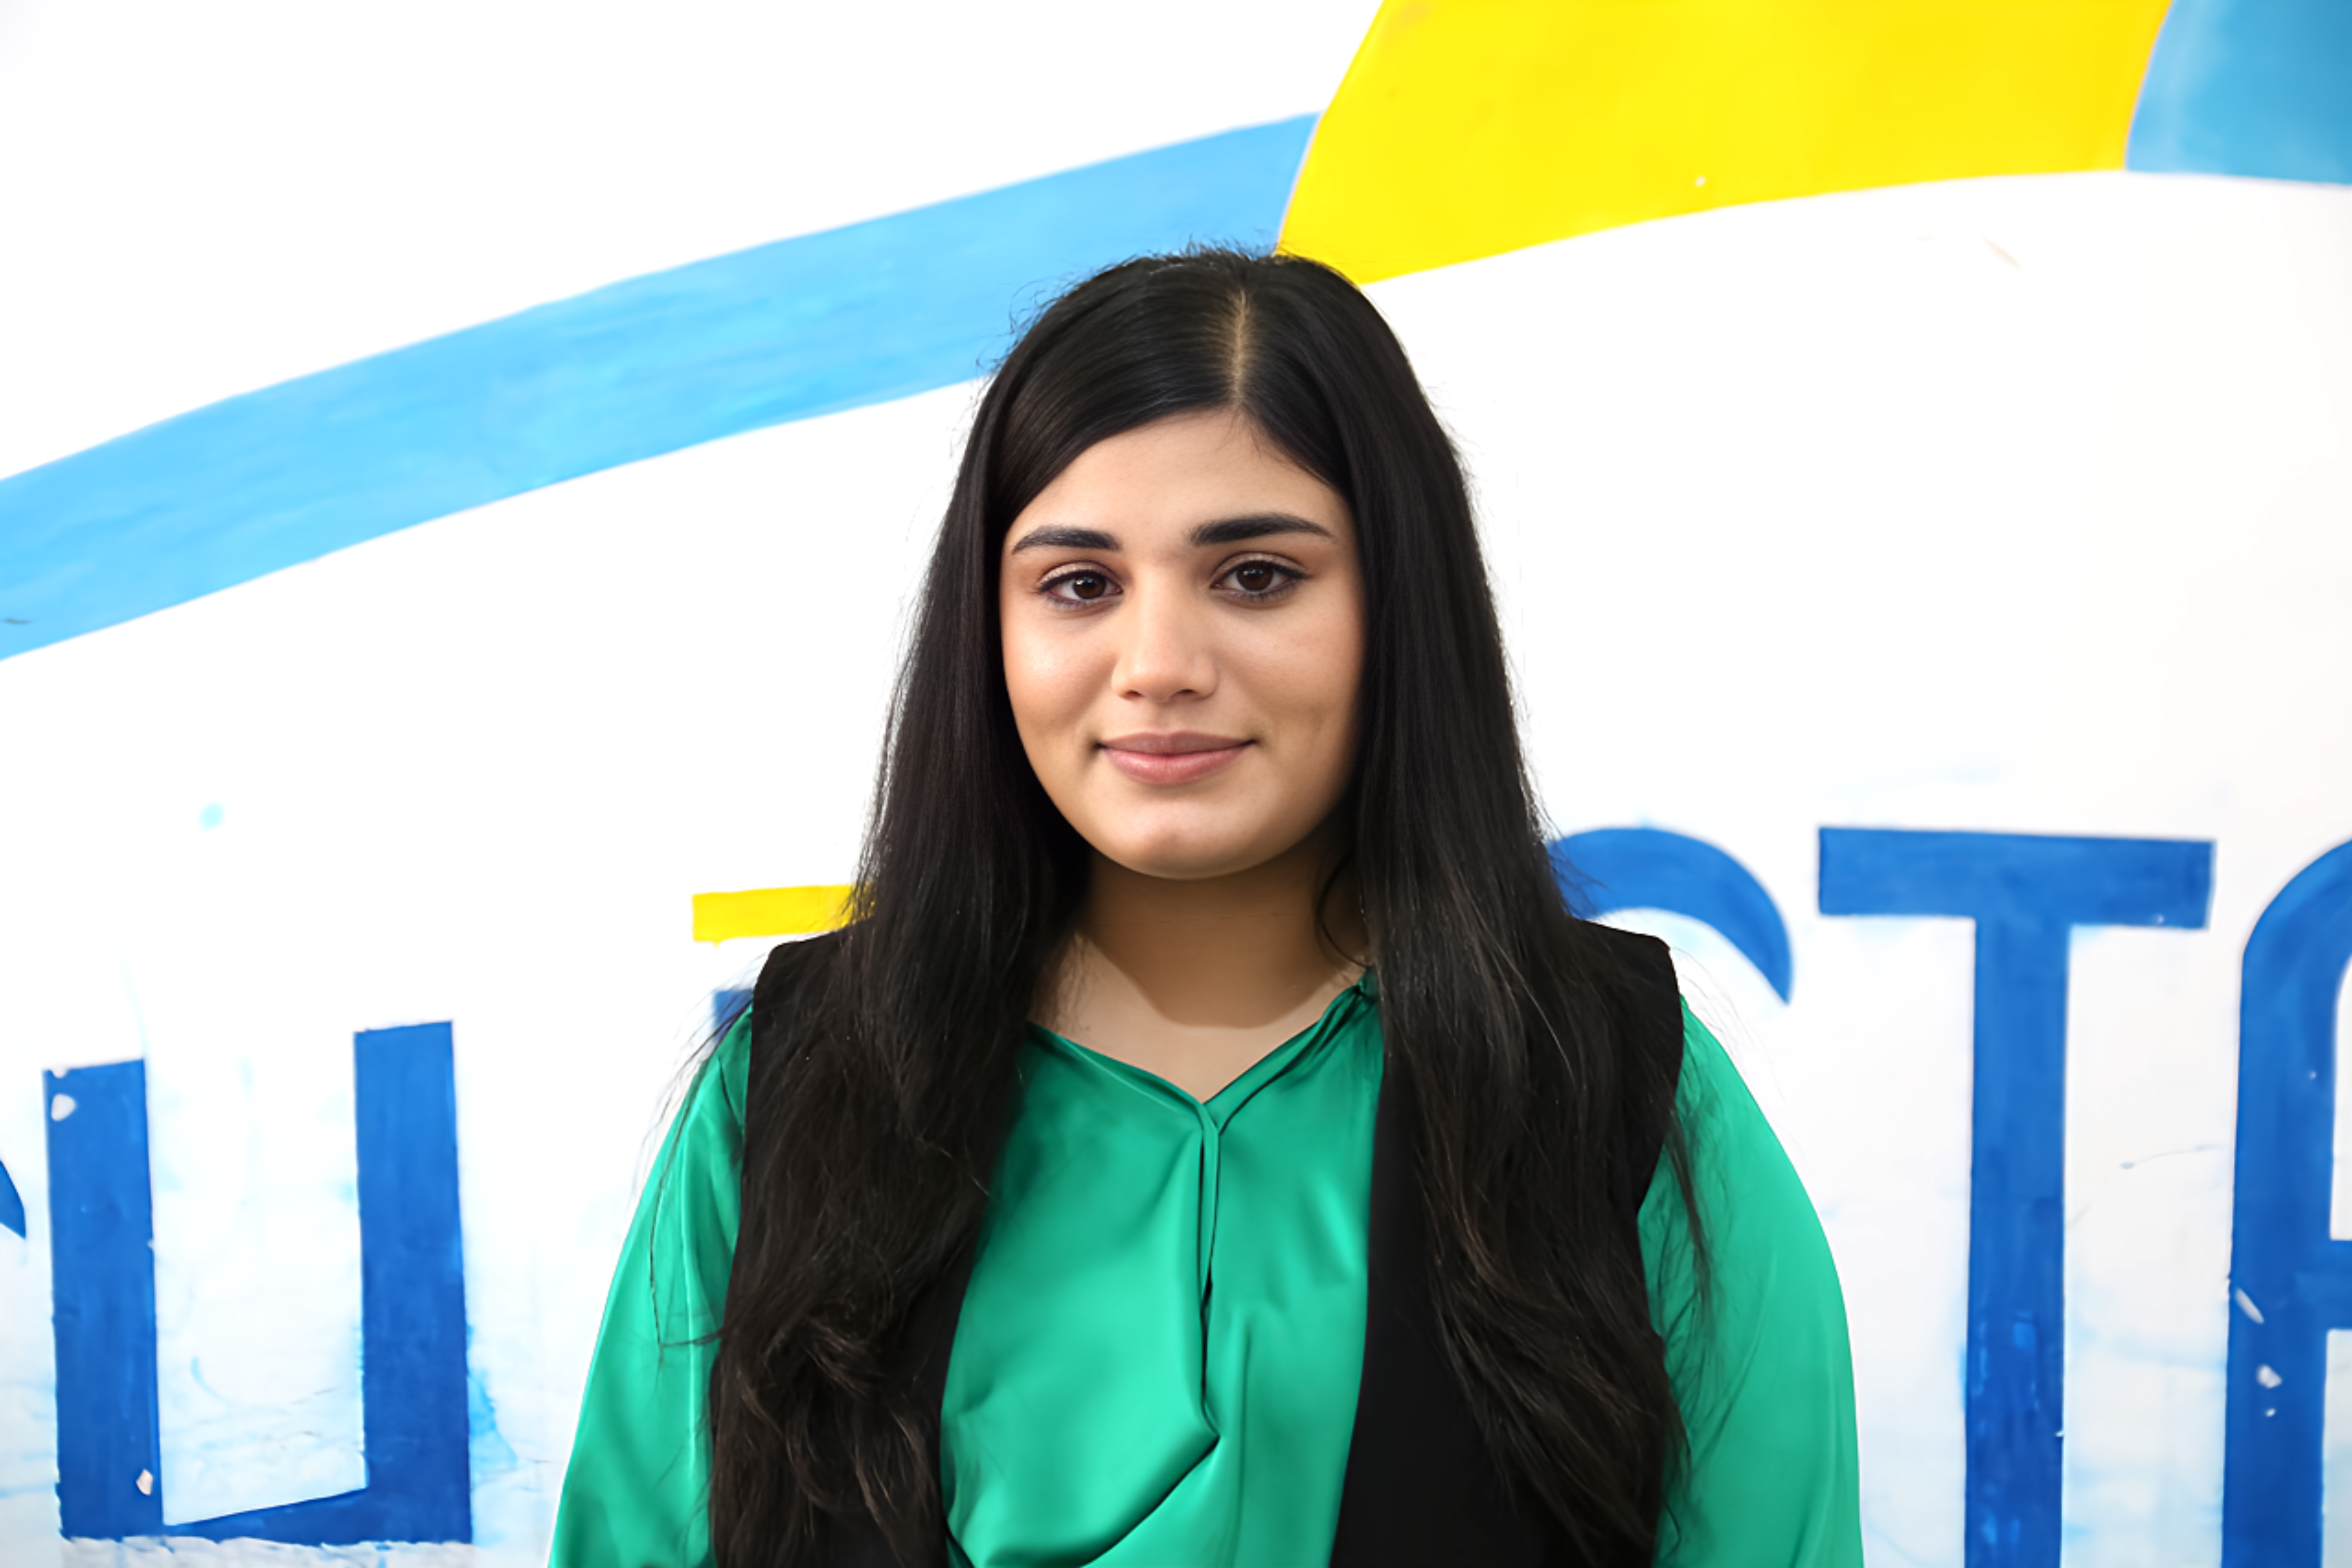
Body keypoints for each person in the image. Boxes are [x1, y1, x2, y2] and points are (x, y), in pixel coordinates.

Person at [551, 249, 1861, 1567]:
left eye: (1255, 577)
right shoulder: (795, 1093)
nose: (1160, 667)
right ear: (987, 629)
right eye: (1080, 585)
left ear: (1400, 610)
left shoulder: (1615, 1089)